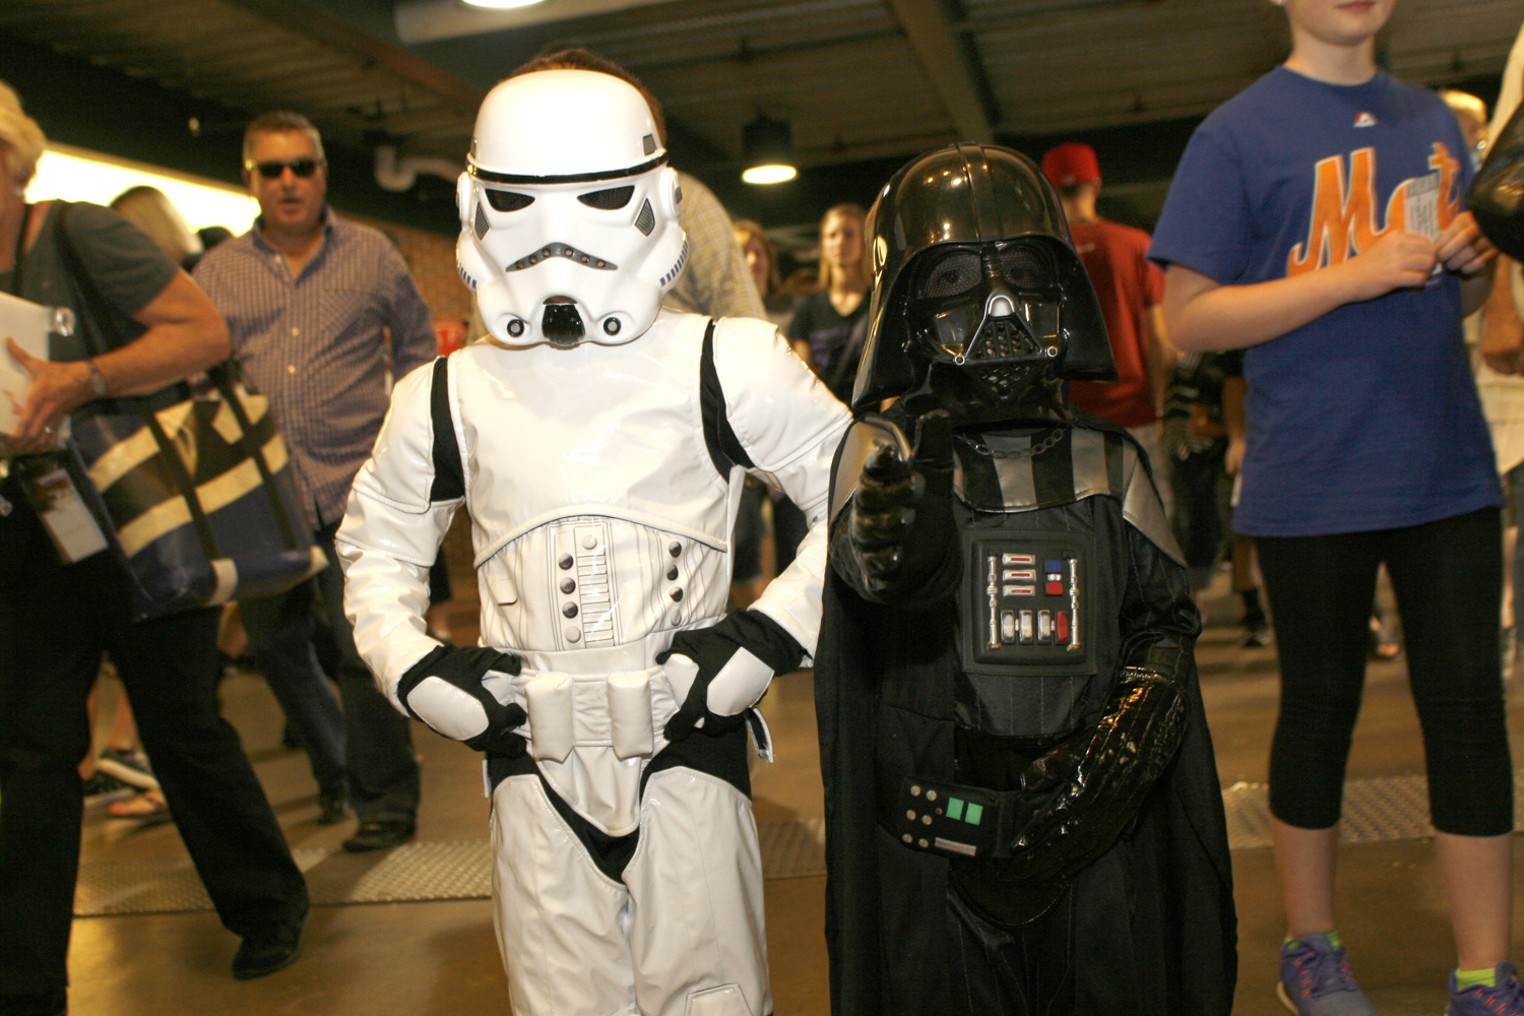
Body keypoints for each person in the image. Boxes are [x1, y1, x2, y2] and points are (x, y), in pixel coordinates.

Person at [336, 65, 850, 1015]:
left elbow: (862, 503)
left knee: (714, 998)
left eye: (597, 200)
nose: (557, 241)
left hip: (687, 742)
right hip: (529, 755)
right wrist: (412, 666)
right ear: (478, 205)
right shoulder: (445, 395)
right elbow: (376, 553)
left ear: (653, 201)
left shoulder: (727, 362)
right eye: (524, 205)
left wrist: (764, 640)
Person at [1149, 1, 1516, 1012]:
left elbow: (1457, 304)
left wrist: (1473, 271)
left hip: (1445, 469)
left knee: (1470, 715)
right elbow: (1187, 318)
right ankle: (1311, 950)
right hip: (1314, 477)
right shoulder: (1237, 133)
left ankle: (1486, 971)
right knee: (1318, 712)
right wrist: (1350, 275)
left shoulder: (1438, 125)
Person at [816, 142, 1236, 1015]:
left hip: (1092, 836)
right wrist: (896, 531)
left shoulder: (1111, 465)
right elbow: (880, 577)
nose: (997, 310)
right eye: (954, 284)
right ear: (906, 311)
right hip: (944, 844)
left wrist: (1115, 757)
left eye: (1018, 274)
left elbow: (1164, 623)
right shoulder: (886, 455)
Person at [0, 81, 309, 1016]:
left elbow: (202, 332)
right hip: (29, 536)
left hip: (138, 529)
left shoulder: (72, 234)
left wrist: (80, 378)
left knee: (181, 728)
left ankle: (268, 905)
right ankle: (25, 986)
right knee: (30, 759)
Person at [193, 110, 434, 849]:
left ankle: (386, 801)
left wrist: (409, 430)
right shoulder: (218, 272)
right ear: (251, 180)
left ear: (324, 172)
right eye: (273, 170)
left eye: (303, 166)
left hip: (356, 486)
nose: (289, 182)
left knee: (361, 649)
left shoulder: (371, 255)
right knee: (272, 649)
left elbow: (419, 344)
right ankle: (335, 769)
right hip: (261, 496)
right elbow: (200, 369)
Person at [1041, 141, 1175, 516]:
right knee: (1150, 516)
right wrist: (1159, 406)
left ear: (1049, 192)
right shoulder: (1136, 245)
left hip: (1067, 415)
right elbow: (1160, 342)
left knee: (1081, 519)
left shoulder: (1041, 256)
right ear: (1095, 185)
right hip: (1134, 410)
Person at [788, 202, 869, 404]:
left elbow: (890, 369)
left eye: (849, 234)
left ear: (864, 240)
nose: (840, 241)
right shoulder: (808, 309)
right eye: (832, 235)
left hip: (870, 415)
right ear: (823, 244)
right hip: (827, 416)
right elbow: (803, 375)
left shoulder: (878, 302)